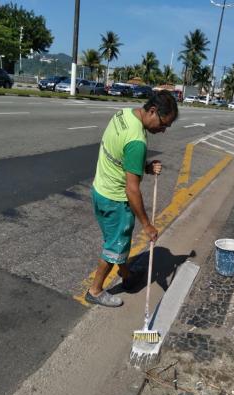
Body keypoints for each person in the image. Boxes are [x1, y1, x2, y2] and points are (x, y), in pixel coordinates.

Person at [86, 90, 178, 307]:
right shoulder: (138, 141)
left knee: (116, 241)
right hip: (116, 200)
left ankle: (127, 275)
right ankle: (95, 290)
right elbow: (132, 190)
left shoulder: (124, 115)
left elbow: (119, 155)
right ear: (153, 112)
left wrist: (144, 167)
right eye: (164, 124)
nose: (163, 130)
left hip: (99, 190)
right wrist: (147, 225)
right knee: (114, 247)